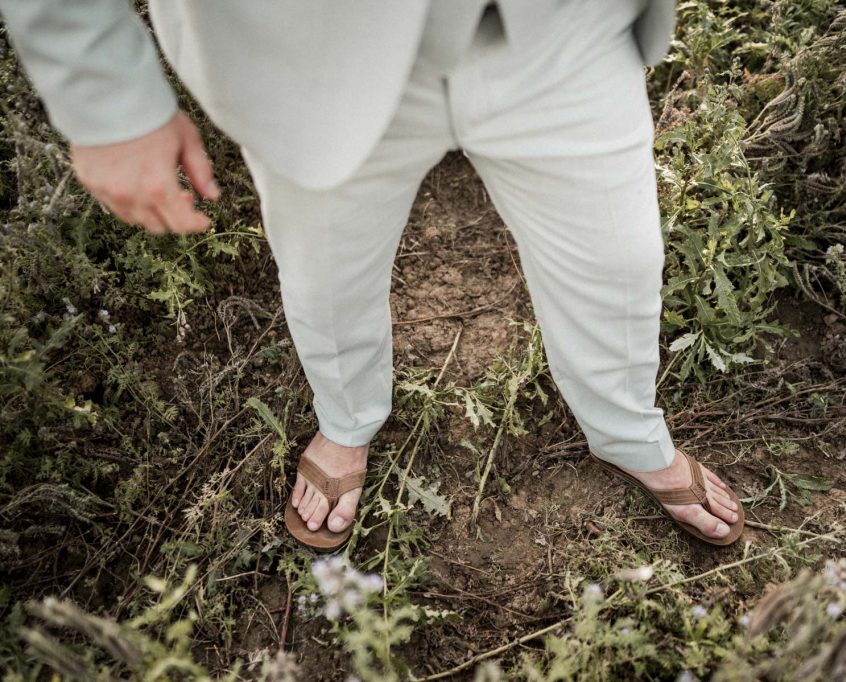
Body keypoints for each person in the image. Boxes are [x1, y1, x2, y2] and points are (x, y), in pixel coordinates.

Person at [0, 0, 744, 550]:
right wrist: (105, 96)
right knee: (325, 268)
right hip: (307, 45)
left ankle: (624, 428)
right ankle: (347, 416)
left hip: (567, 30)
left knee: (618, 261)